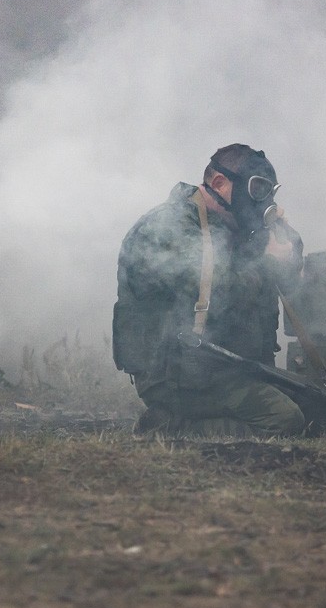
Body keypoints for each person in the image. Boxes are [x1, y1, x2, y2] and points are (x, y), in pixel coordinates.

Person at [112, 144, 306, 436]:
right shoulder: (166, 227)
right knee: (285, 419)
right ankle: (169, 427)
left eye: (268, 192)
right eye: (256, 190)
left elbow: (289, 281)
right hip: (178, 375)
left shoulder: (232, 231)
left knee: (315, 407)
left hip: (226, 369)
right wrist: (263, 258)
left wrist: (286, 242)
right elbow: (216, 295)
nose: (260, 201)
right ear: (218, 183)